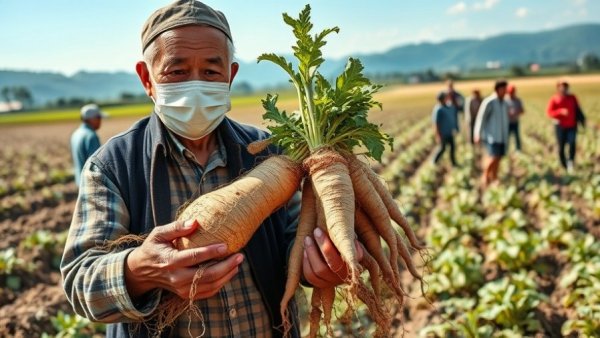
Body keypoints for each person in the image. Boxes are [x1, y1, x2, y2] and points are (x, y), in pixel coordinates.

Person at [60, 2, 362, 337]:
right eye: (176, 72)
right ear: (147, 79)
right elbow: (78, 282)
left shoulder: (269, 152)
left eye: (210, 72)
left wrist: (316, 263)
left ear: (230, 76)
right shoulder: (113, 165)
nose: (196, 85)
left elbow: (295, 239)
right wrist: (139, 270)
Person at [474, 80, 509, 186]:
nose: (505, 91)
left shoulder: (504, 102)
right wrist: (477, 134)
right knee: (493, 157)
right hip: (492, 136)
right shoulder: (489, 102)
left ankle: (494, 176)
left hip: (502, 136)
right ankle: (485, 176)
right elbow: (481, 118)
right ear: (498, 89)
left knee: (498, 157)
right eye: (504, 89)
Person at [546, 79, 583, 173]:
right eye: (561, 86)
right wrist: (560, 112)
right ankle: (564, 164)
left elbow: (578, 110)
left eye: (565, 87)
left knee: (572, 144)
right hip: (560, 127)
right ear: (558, 88)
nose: (563, 88)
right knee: (561, 147)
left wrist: (582, 120)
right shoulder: (554, 99)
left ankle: (571, 162)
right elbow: (549, 113)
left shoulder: (572, 98)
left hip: (572, 125)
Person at [70, 103, 106, 185]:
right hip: (89, 184)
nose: (100, 121)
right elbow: (96, 166)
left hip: (80, 181)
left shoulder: (76, 133)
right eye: (98, 118)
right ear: (91, 119)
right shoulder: (91, 136)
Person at [432, 91, 458, 166]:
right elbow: (436, 123)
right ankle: (434, 162)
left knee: (452, 148)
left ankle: (453, 163)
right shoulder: (438, 109)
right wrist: (438, 134)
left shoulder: (449, 107)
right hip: (442, 133)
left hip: (449, 132)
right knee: (442, 148)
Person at [505, 85, 524, 152]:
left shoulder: (518, 100)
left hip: (515, 121)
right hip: (507, 122)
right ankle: (505, 150)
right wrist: (508, 113)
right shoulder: (505, 101)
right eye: (510, 92)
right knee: (506, 137)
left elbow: (522, 111)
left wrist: (516, 112)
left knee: (517, 137)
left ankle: (518, 150)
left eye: (513, 92)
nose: (511, 94)